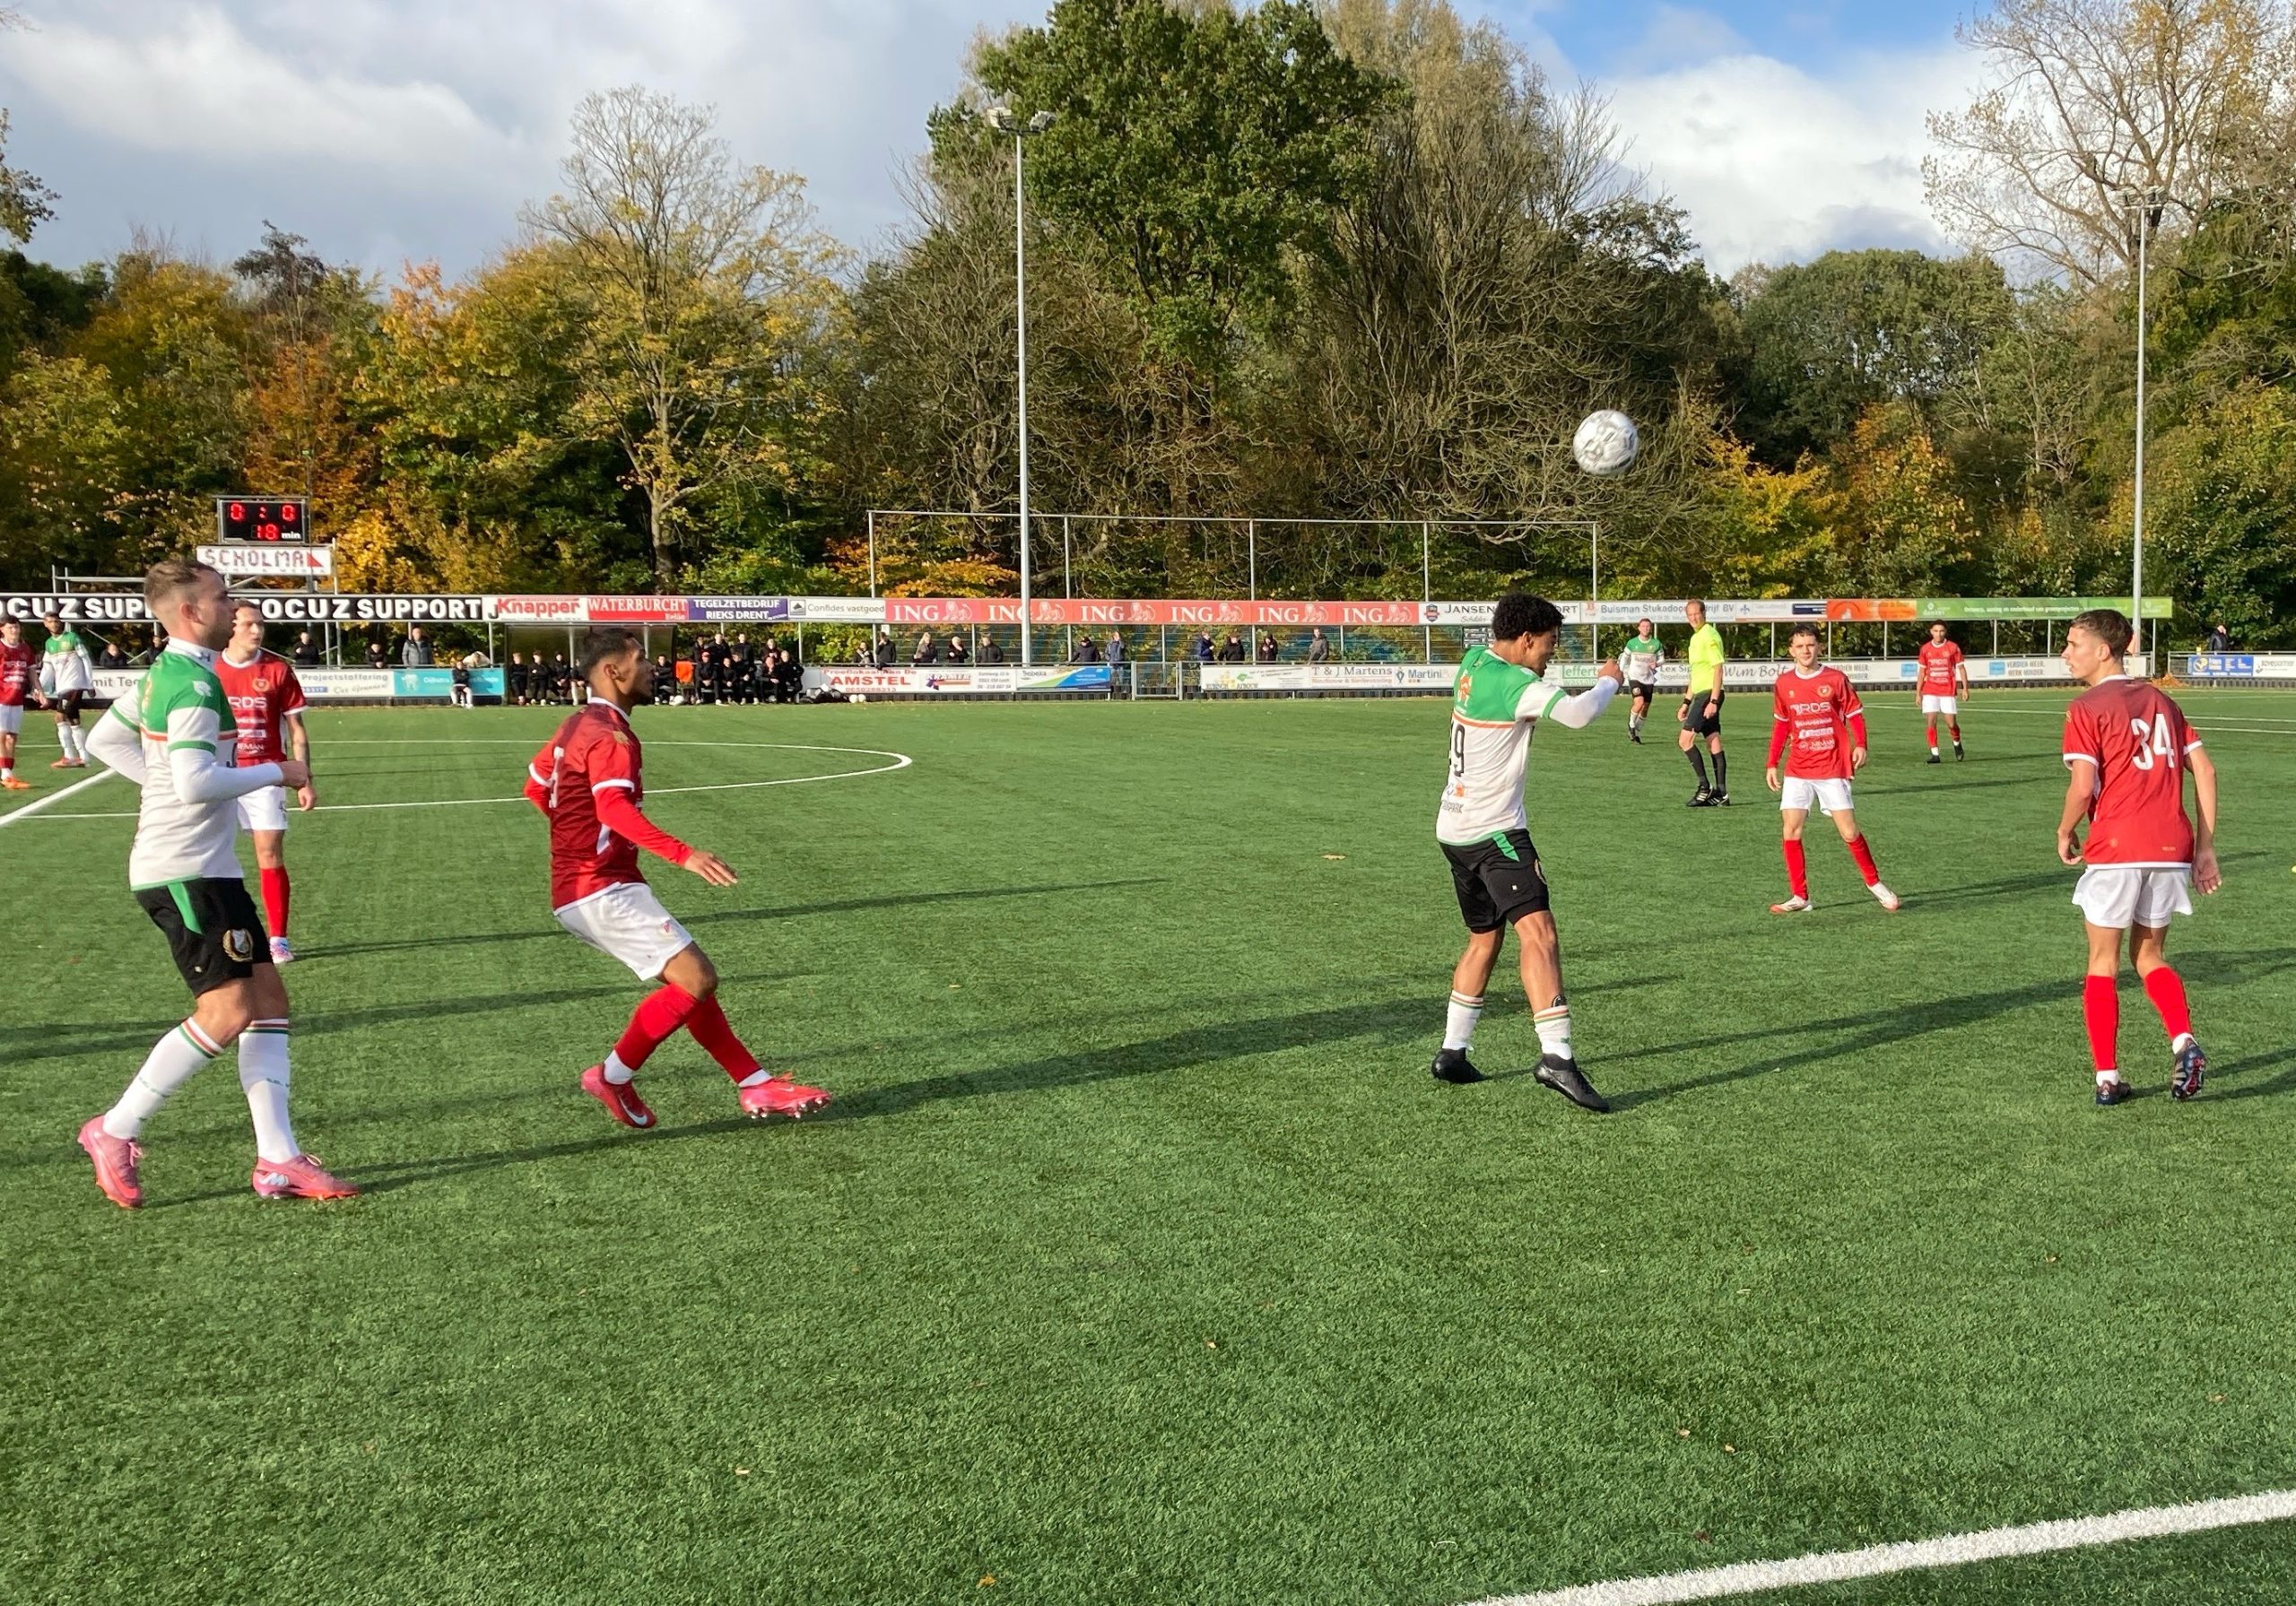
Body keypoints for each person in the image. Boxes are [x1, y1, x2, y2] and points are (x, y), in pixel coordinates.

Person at [77, 558, 349, 1207]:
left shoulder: (169, 674)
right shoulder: (193, 687)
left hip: (208, 868)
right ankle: (115, 1129)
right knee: (226, 1011)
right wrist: (276, 771)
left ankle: (278, 1159)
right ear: (193, 612)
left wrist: (162, 783)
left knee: (270, 1001)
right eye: (223, 598)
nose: (234, 607)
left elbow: (103, 741)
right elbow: (196, 783)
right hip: (183, 872)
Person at [524, 629, 831, 1126]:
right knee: (698, 979)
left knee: (690, 982)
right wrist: (682, 854)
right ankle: (613, 1076)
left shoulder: (577, 724)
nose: (652, 668)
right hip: (600, 887)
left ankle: (755, 1084)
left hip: (591, 883)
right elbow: (612, 807)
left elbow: (536, 787)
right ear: (612, 671)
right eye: (640, 660)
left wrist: (576, 844)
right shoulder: (611, 736)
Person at [1432, 591, 1626, 1110]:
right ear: (1524, 639)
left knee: (1483, 939)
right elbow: (1581, 715)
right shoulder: (1517, 684)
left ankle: (1453, 1051)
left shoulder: (1474, 662)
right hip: (1494, 832)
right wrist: (1611, 678)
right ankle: (1557, 1059)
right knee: (1540, 935)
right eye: (1548, 645)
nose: (1550, 655)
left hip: (1453, 829)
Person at [2057, 607, 2219, 1107]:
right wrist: (2206, 848)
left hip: (2116, 848)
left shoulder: (2086, 707)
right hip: (2171, 848)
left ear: (2103, 650)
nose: (2065, 653)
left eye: (2073, 644)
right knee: (2149, 956)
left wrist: (2064, 831)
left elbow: (2084, 787)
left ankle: (2107, 1078)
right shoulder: (2164, 701)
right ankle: (2184, 1041)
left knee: (2102, 963)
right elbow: (2206, 771)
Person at [1765, 625, 1899, 916]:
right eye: (1800, 646)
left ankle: (1875, 884)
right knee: (1791, 829)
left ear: (1820, 647)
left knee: (1849, 831)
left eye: (1811, 645)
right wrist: (1772, 763)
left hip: (1832, 767)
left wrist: (1861, 743)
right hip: (1798, 768)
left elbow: (1854, 714)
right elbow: (1782, 725)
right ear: (1791, 650)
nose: (1805, 650)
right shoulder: (1784, 683)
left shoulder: (1835, 679)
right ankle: (1800, 896)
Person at [214, 602, 315, 963]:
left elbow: (296, 730)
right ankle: (222, 933)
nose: (256, 631)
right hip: (220, 772)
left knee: (269, 854)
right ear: (232, 627)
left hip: (267, 775)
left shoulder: (277, 669)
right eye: (249, 625)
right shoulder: (210, 667)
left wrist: (304, 778)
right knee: (212, 857)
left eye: (261, 625)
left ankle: (277, 939)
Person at [1677, 598, 1727, 805]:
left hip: (1709, 694)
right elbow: (1695, 673)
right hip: (1701, 694)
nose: (1694, 618)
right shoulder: (1695, 638)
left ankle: (1704, 787)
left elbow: (1718, 669)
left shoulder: (1710, 635)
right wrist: (1686, 702)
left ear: (1704, 612)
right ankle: (1722, 794)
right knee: (1713, 741)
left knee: (1685, 740)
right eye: (1690, 615)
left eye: (1697, 613)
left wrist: (1713, 700)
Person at [39, 611, 94, 770]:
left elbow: (85, 660)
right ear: (45, 624)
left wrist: (89, 683)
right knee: (71, 718)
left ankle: (74, 756)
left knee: (61, 716)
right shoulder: (49, 643)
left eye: (57, 621)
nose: (54, 624)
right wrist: (40, 688)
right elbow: (48, 668)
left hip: (74, 684)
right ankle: (81, 757)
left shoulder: (72, 638)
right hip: (62, 687)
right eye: (51, 621)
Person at [1916, 621, 1970, 762]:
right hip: (1930, 690)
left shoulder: (1952, 647)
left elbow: (1961, 668)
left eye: (1941, 631)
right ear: (1931, 632)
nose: (1938, 634)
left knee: (1951, 724)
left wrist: (1965, 688)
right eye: (1935, 631)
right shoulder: (1925, 649)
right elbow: (1921, 673)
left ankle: (1957, 743)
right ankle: (1935, 754)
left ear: (1945, 632)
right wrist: (1918, 693)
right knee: (1931, 721)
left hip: (1948, 690)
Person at [1, 620, 35, 788]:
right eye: (10, 627)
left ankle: (8, 773)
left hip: (17, 698)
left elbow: (31, 671)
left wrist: (39, 690)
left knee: (12, 737)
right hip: (1, 697)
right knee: (1, 734)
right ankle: (5, 773)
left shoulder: (25, 649)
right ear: (2, 630)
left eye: (16, 627)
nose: (14, 630)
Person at [1620, 617, 1664, 744]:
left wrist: (1657, 664)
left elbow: (1662, 659)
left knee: (1645, 708)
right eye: (1643, 626)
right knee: (1639, 702)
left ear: (1651, 628)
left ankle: (1635, 732)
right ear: (1639, 628)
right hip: (1634, 677)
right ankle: (1631, 725)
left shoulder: (1656, 644)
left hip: (1648, 679)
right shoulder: (1632, 643)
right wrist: (1621, 671)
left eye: (1648, 626)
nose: (1646, 628)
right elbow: (1624, 658)